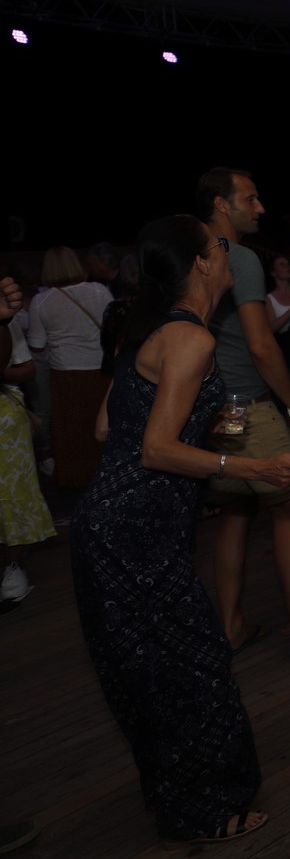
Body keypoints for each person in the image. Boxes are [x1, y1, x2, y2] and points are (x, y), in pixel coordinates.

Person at [72, 215, 290, 845]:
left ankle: (182, 799)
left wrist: (201, 426)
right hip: (138, 527)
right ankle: (206, 808)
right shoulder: (192, 340)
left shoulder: (149, 332)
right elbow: (155, 449)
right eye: (217, 247)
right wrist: (255, 465)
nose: (227, 253)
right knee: (193, 665)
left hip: (112, 520)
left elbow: (107, 427)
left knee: (154, 670)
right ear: (201, 264)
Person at [196, 169, 290, 665]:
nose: (260, 208)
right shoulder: (237, 257)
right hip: (250, 403)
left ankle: (230, 625)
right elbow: (262, 345)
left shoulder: (191, 250)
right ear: (221, 204)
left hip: (216, 405)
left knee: (236, 511)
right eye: (250, 199)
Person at [25, 246, 112, 488]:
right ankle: (107, 476)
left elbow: (37, 346)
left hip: (67, 374)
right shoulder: (100, 290)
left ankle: (76, 479)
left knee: (72, 430)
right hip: (102, 370)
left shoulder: (42, 301)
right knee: (102, 426)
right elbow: (113, 327)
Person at [2, 301, 55, 602]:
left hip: (4, 416)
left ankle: (14, 565)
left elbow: (27, 369)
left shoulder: (4, 320)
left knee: (13, 492)